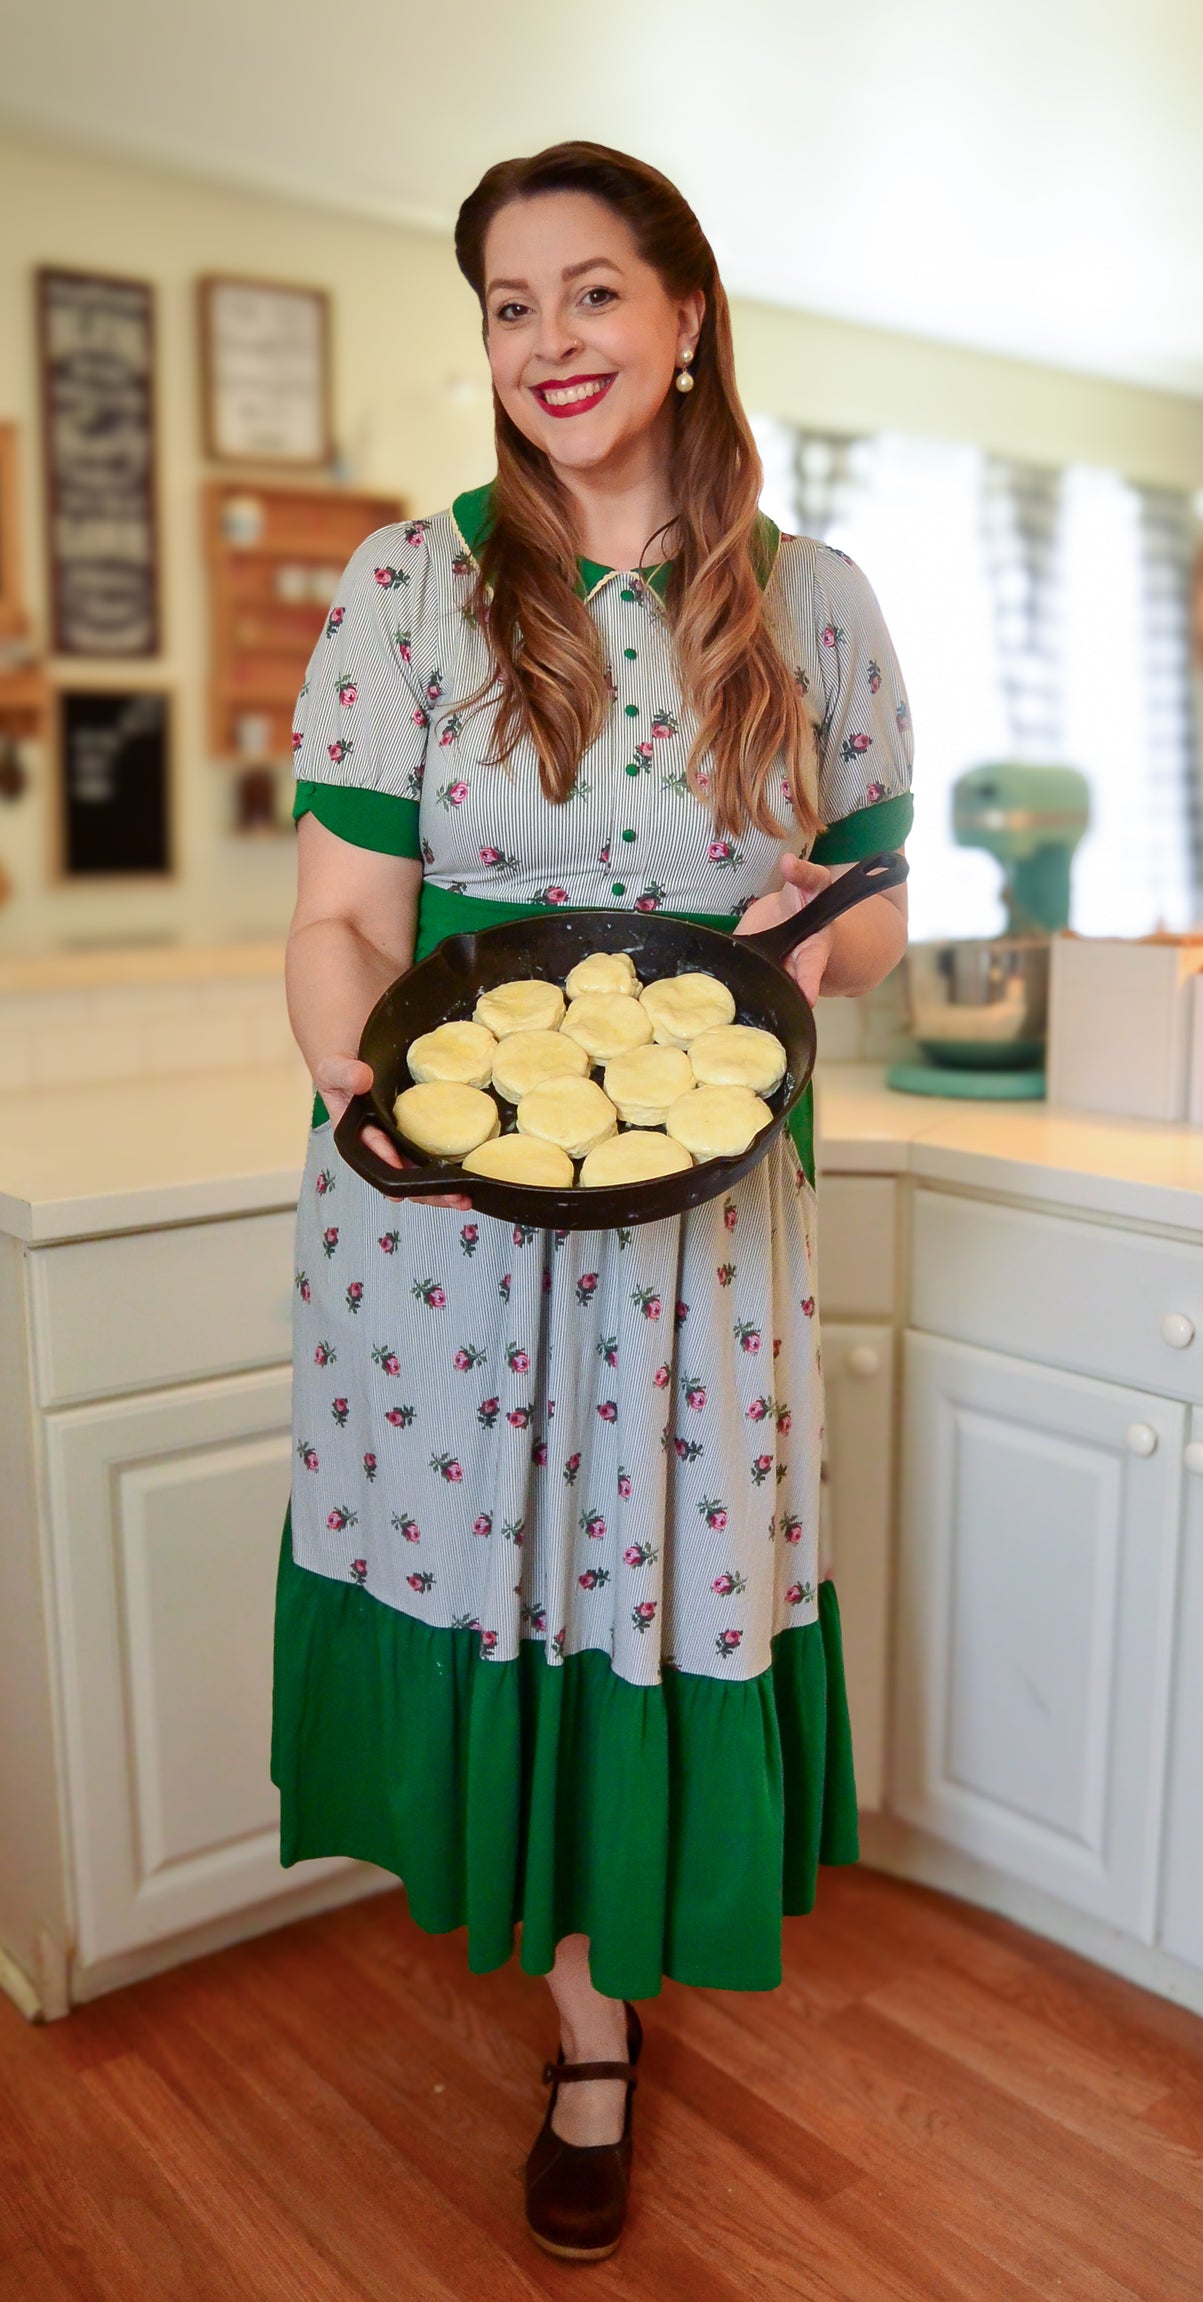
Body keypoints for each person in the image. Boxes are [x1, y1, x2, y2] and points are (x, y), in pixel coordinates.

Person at [274, 139, 913, 2264]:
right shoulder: (407, 587)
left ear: (688, 313)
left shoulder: (816, 604)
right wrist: (366, 1090)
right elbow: (344, 919)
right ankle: (577, 2013)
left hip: (706, 1219)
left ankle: (604, 2021)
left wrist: (808, 948)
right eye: (509, 304)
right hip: (448, 1223)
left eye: (594, 292)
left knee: (657, 1583)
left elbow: (875, 916)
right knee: (519, 1578)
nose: (551, 341)